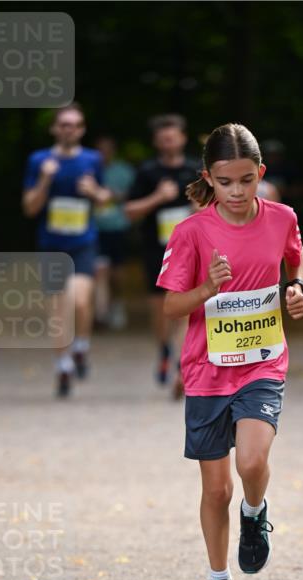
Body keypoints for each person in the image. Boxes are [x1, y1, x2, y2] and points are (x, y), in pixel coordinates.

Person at [156, 123, 303, 580]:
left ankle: (255, 513)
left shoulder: (282, 217)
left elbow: (294, 256)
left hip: (263, 361)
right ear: (209, 179)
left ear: (261, 174)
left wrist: (297, 286)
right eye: (226, 183)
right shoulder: (191, 232)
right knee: (216, 488)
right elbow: (172, 306)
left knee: (253, 459)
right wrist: (207, 288)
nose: (239, 192)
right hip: (207, 371)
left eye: (247, 180)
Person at [22, 103, 111, 397]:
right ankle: (63, 365)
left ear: (82, 129)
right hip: (51, 246)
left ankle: (81, 346)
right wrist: (46, 179)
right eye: (63, 124)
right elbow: (30, 208)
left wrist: (94, 192)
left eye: (74, 124)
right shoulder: (39, 160)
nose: (68, 129)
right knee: (58, 310)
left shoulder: (93, 159)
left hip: (83, 242)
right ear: (54, 128)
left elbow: (105, 200)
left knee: (80, 302)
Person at [125, 114, 201, 395]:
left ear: (182, 138)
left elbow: (215, 207)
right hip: (156, 250)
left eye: (173, 136)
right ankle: (165, 350)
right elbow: (129, 212)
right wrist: (157, 197)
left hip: (190, 250)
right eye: (163, 138)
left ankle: (182, 367)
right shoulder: (146, 173)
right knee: (160, 310)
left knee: (184, 311)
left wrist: (199, 209)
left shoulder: (197, 169)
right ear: (156, 142)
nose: (169, 142)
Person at [93, 136, 135, 330]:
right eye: (100, 150)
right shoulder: (90, 168)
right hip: (95, 228)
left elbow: (134, 195)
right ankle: (100, 312)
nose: (104, 154)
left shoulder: (124, 171)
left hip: (118, 227)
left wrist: (114, 195)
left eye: (107, 149)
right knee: (100, 268)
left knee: (117, 272)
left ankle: (117, 305)